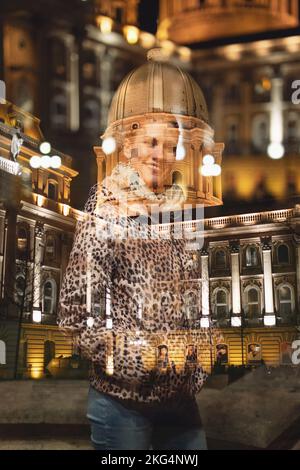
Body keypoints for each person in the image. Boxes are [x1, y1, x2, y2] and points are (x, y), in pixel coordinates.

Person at [57, 49, 217, 450]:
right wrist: (139, 362)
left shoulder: (178, 222)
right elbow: (75, 316)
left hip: (181, 403)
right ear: (126, 147)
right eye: (149, 141)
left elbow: (196, 306)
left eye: (169, 146)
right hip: (122, 404)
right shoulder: (103, 215)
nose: (159, 155)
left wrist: (198, 360)